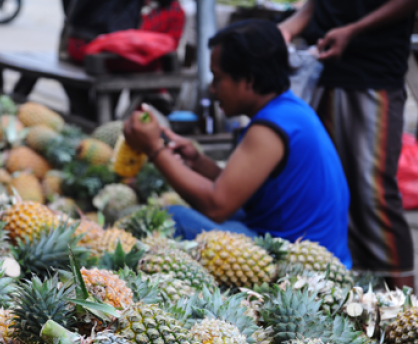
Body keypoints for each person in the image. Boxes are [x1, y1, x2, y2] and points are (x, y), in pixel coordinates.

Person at [123, 19, 352, 266]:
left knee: (173, 217)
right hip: (307, 247)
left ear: (249, 80)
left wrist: (154, 148)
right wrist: (197, 161)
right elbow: (239, 188)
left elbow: (216, 206)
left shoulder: (270, 128)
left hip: (299, 265)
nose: (212, 89)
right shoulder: (290, 110)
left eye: (218, 78)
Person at [279, 0, 418, 289]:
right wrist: (289, 28)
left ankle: (407, 302)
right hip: (328, 72)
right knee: (332, 188)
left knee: (373, 193)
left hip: (374, 73)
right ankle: (355, 294)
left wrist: (353, 30)